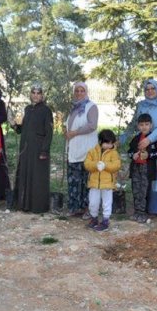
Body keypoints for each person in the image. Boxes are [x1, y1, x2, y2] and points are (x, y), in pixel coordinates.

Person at [130, 79, 157, 216]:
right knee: (144, 174)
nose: (150, 91)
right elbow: (136, 123)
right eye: (147, 89)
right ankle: (143, 206)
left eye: (153, 88)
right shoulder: (141, 105)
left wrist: (149, 139)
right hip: (143, 142)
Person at [13, 84, 53, 214]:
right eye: (33, 93)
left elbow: (49, 132)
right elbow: (23, 129)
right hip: (26, 149)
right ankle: (24, 205)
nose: (35, 95)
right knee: (25, 174)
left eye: (38, 93)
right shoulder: (27, 109)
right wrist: (15, 126)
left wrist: (44, 150)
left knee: (37, 177)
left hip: (38, 149)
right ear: (30, 94)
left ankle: (38, 206)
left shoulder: (46, 110)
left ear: (42, 96)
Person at [65, 81, 99, 217]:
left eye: (82, 91)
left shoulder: (91, 107)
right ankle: (75, 208)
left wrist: (74, 132)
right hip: (74, 150)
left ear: (86, 92)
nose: (79, 93)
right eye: (77, 91)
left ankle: (88, 209)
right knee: (74, 181)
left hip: (87, 150)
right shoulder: (74, 108)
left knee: (86, 181)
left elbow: (92, 125)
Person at [127, 113, 157, 223]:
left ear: (151, 125)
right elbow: (129, 152)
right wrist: (133, 155)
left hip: (147, 169)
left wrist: (149, 156)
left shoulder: (154, 139)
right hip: (136, 168)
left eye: (147, 124)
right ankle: (137, 211)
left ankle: (144, 213)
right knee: (136, 190)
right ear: (138, 126)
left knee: (145, 191)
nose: (144, 127)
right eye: (141, 125)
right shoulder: (135, 139)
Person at [84, 129, 122, 232]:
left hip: (107, 184)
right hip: (94, 183)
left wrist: (106, 165)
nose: (109, 145)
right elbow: (87, 164)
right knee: (93, 202)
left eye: (111, 143)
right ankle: (94, 218)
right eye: (107, 143)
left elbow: (116, 165)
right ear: (100, 141)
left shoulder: (114, 153)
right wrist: (95, 165)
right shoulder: (92, 151)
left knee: (107, 203)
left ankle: (105, 220)